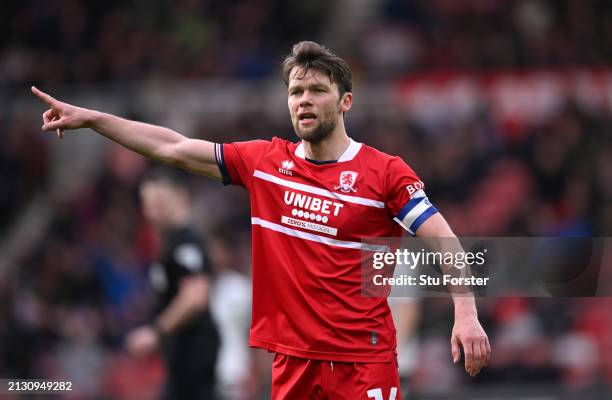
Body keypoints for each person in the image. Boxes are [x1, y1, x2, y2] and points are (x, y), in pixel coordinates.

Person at [32, 41, 490, 399]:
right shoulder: (265, 163)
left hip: (361, 363)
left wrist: (465, 315)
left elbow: (444, 239)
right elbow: (170, 147)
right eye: (295, 91)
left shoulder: (385, 172)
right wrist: (93, 119)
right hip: (291, 364)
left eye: (316, 90)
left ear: (345, 101)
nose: (303, 101)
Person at [125, 167, 219, 399]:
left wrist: (155, 332)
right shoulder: (170, 242)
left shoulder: (187, 242)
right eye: (147, 204)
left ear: (180, 197)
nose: (151, 213)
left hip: (194, 352)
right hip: (181, 354)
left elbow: (196, 295)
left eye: (159, 204)